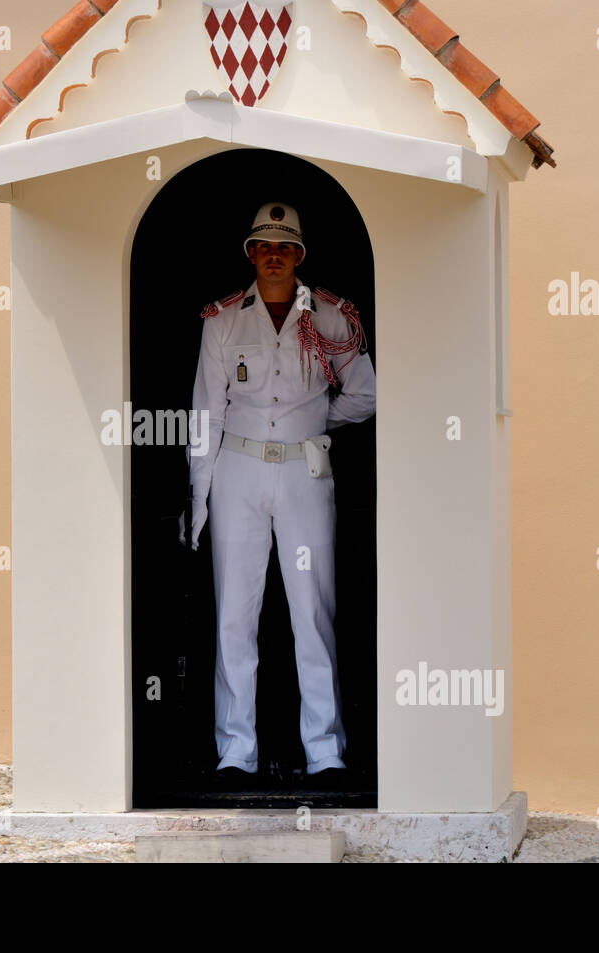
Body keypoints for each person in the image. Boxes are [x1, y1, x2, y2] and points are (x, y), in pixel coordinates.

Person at [181, 201, 377, 783]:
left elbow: (366, 394)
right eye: (264, 246)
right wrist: (201, 495)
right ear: (250, 253)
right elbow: (205, 416)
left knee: (312, 610)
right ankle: (235, 751)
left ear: (299, 255)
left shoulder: (332, 318)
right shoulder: (222, 321)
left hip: (304, 469)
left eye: (285, 246)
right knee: (233, 615)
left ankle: (325, 751)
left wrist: (315, 419)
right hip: (237, 469)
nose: (274, 255)